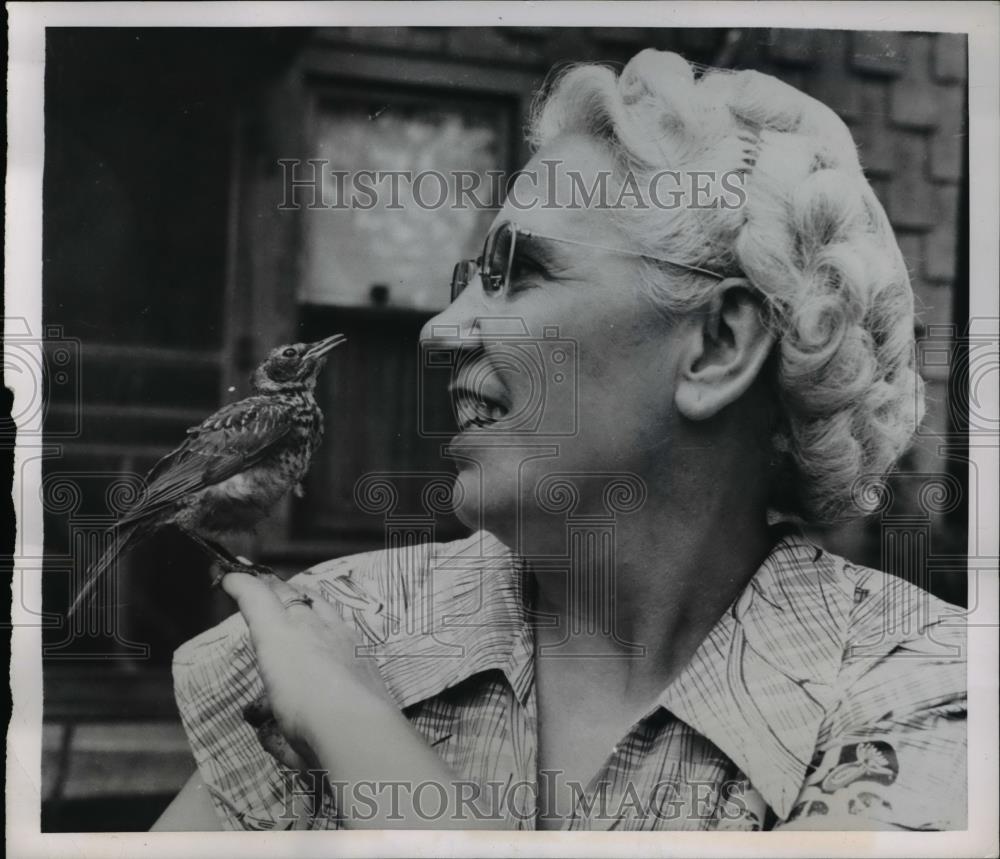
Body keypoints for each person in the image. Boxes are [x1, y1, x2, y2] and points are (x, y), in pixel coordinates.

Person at [153, 49, 966, 832]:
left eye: (519, 273)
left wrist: (350, 718)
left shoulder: (922, 680)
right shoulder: (348, 620)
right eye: (465, 280)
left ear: (718, 344)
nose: (439, 331)